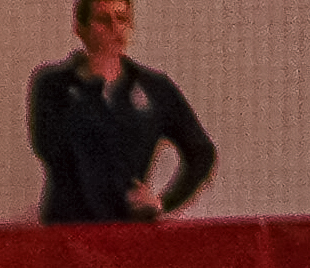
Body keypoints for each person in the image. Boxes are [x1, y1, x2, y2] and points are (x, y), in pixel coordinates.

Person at [30, 0, 214, 224]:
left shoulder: (154, 88)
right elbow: (51, 147)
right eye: (103, 20)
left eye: (122, 19)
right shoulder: (53, 86)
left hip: (129, 228)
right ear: (81, 27)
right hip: (68, 229)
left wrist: (163, 201)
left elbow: (202, 152)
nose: (114, 28)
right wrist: (94, 83)